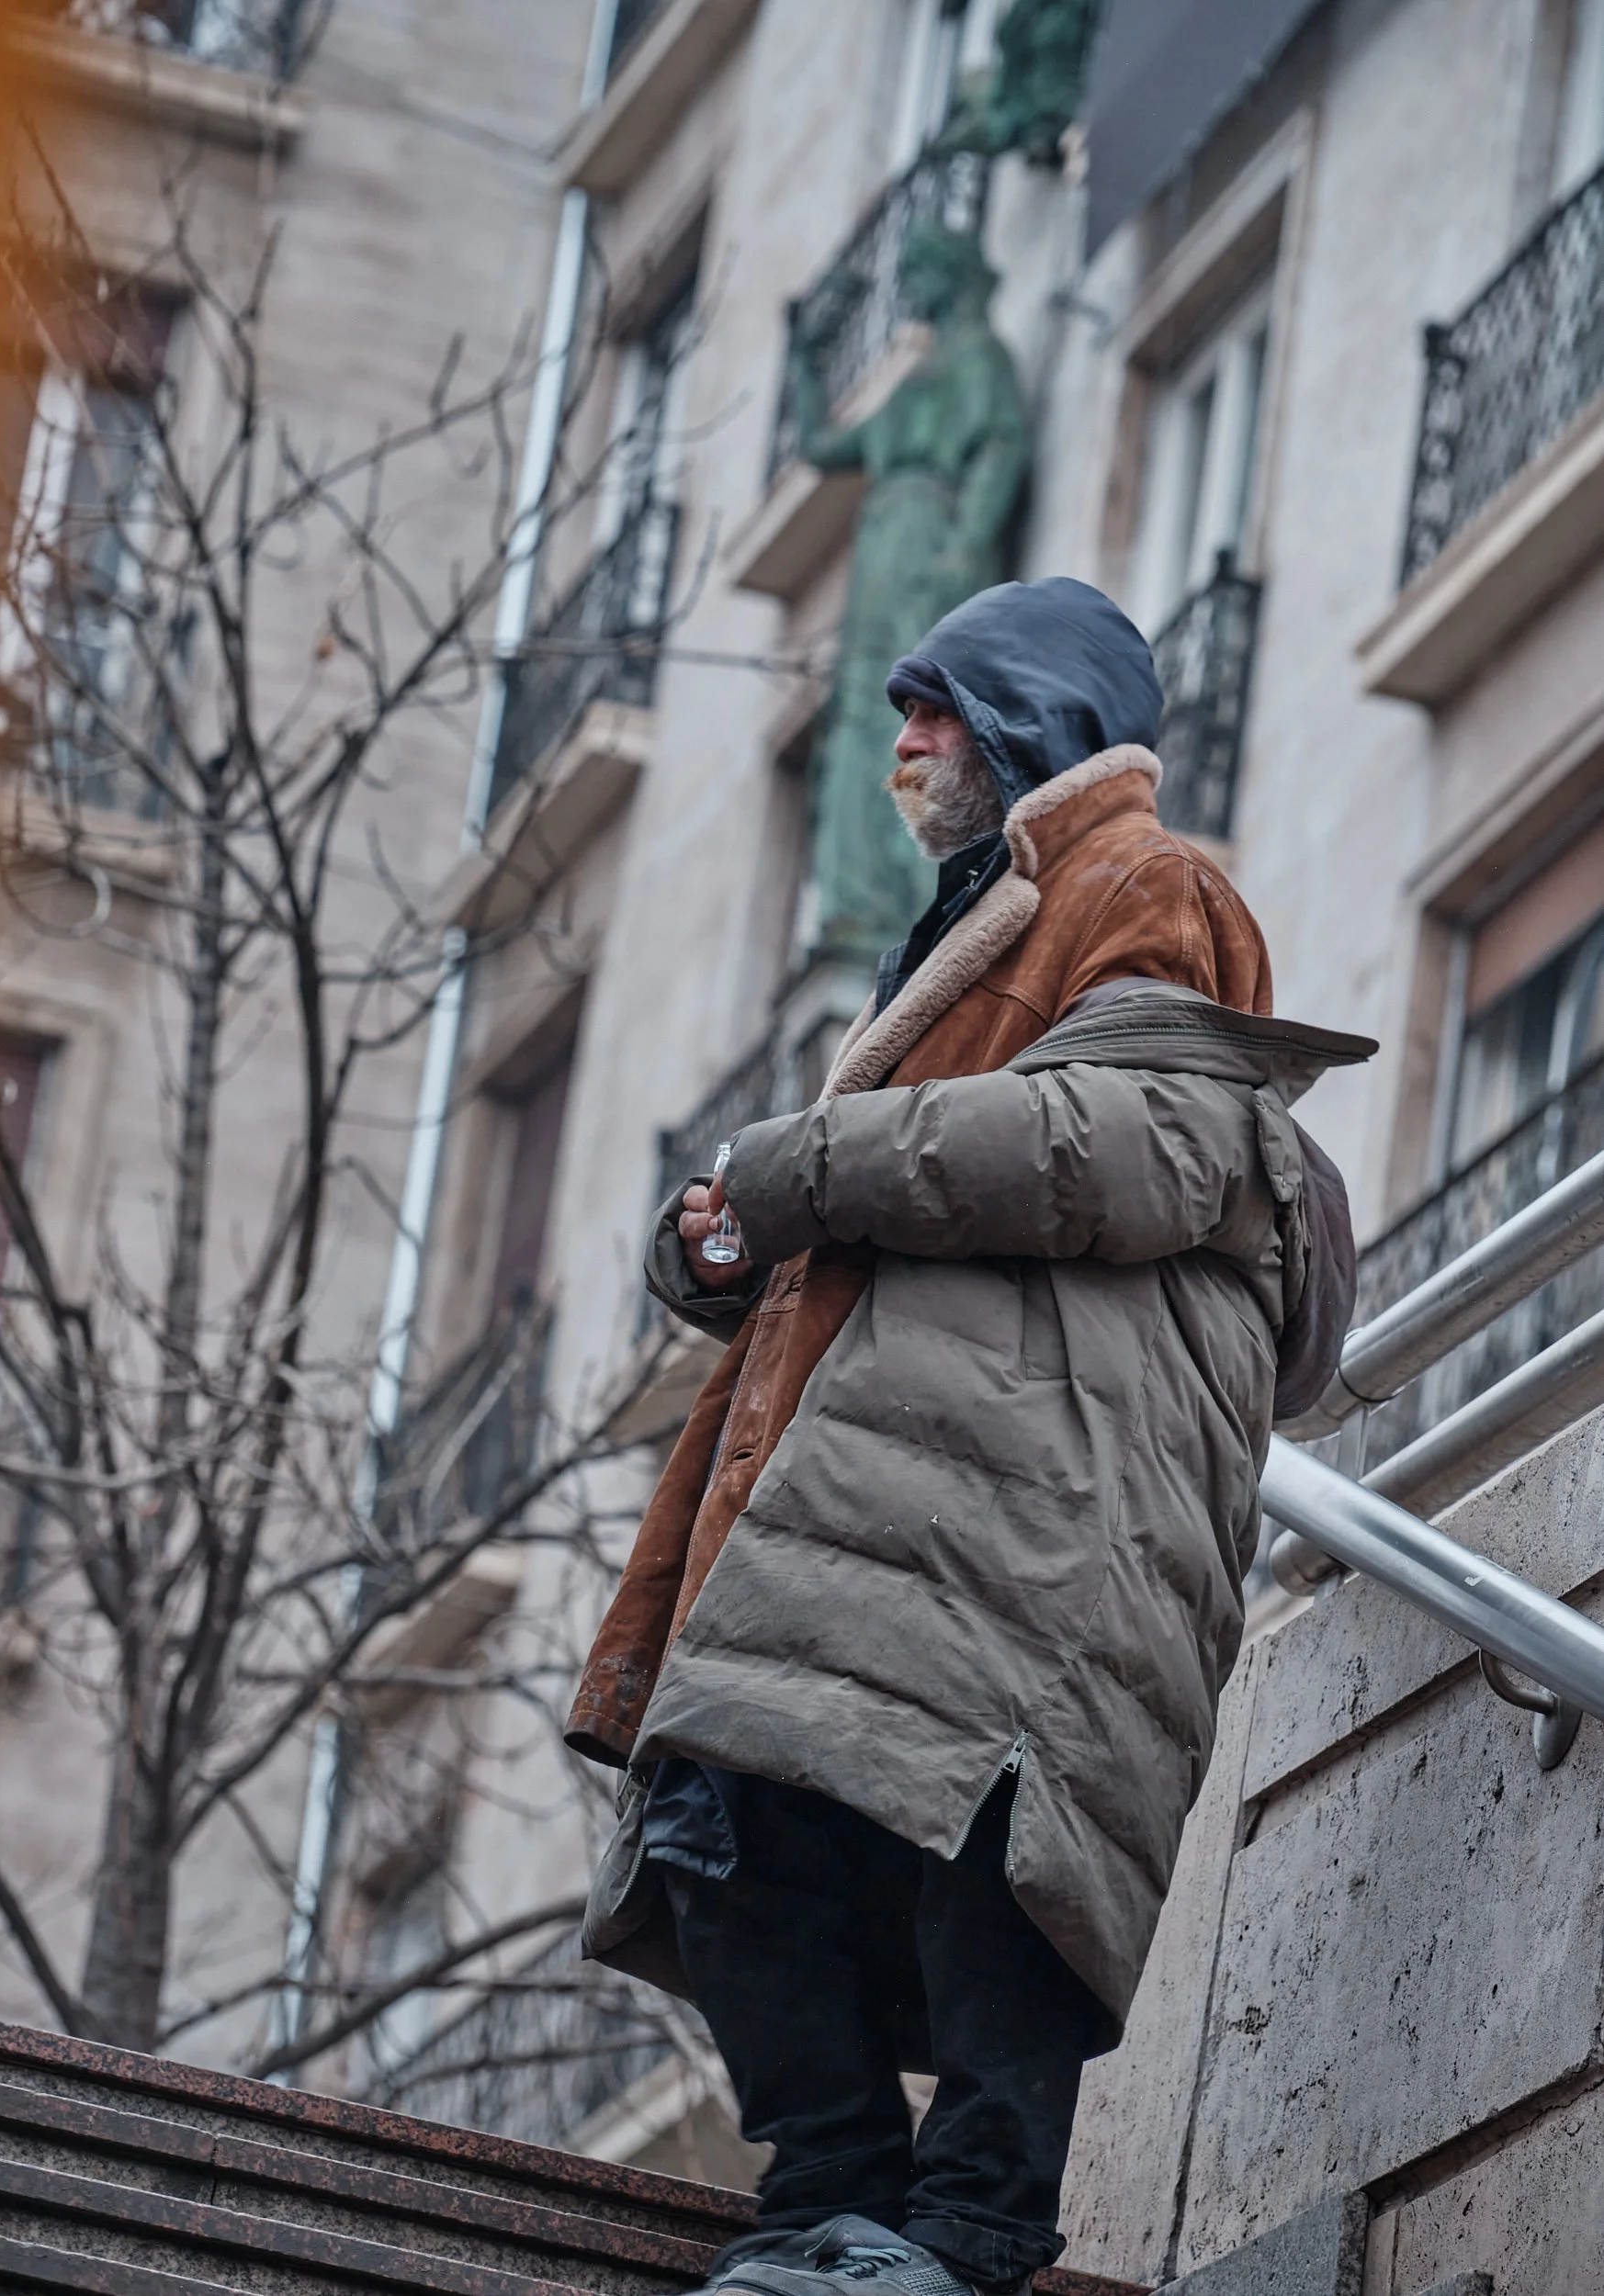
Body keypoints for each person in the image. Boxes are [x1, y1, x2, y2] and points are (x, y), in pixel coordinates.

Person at [567, 579, 1369, 2293]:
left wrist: (792, 1168)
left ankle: (964, 2233)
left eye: (935, 708)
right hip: (876, 1501)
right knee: (718, 1813)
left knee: (1002, 1852)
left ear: (1030, 719)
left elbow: (1146, 1144)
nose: (906, 745)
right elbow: (907, 1210)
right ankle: (830, 2211)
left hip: (1037, 1505)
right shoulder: (967, 924)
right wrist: (724, 1243)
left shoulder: (1141, 878)